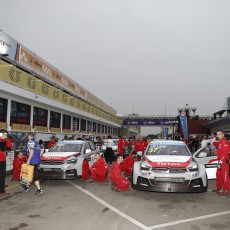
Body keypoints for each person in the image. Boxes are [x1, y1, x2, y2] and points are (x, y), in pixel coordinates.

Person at [212, 130, 230, 197]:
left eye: (219, 134)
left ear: (223, 134)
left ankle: (226, 191)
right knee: (219, 175)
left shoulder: (225, 142)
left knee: (225, 176)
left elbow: (225, 153)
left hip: (224, 161)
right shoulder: (220, 142)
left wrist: (221, 161)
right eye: (217, 134)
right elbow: (216, 145)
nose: (218, 135)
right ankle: (218, 188)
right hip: (220, 161)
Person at [0, 129, 12, 196]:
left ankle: (2, 191)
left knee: (2, 176)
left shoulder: (5, 140)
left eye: (6, 135)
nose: (6, 136)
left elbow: (9, 146)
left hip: (3, 161)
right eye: (5, 135)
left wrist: (6, 139)